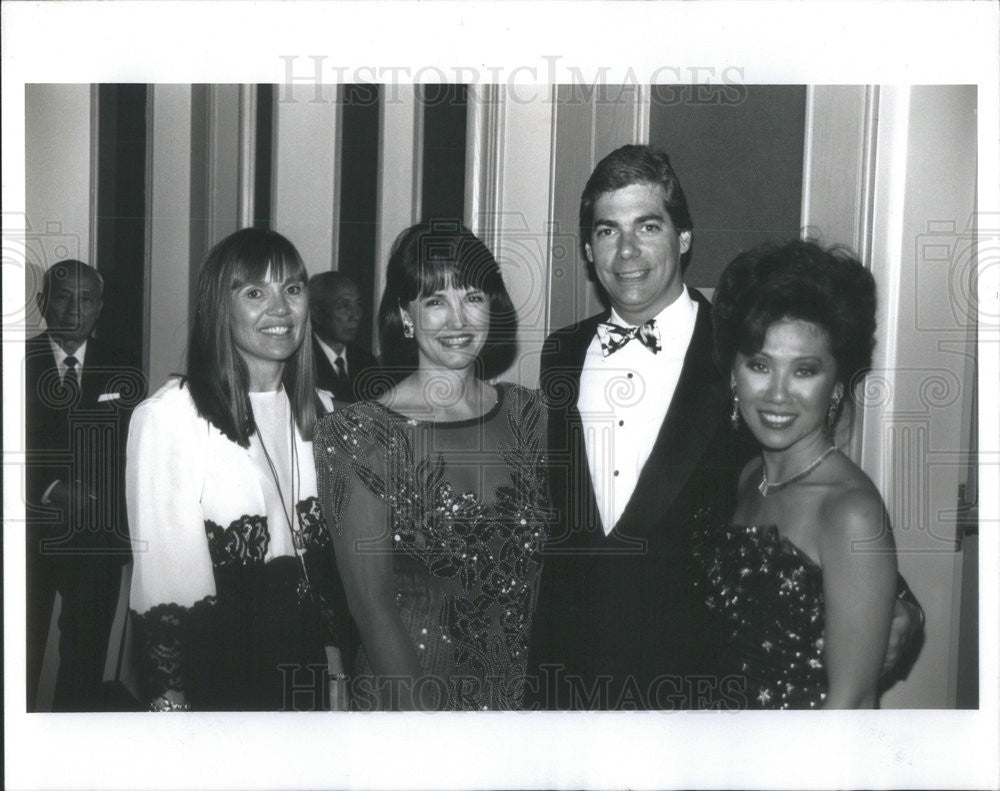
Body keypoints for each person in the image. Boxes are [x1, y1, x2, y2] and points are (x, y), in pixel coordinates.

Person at [525, 144, 920, 710]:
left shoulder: (744, 357)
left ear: (684, 236)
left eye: (648, 225)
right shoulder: (560, 353)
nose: (628, 250)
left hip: (689, 696)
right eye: (608, 231)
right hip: (564, 684)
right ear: (588, 248)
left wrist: (902, 605)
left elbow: (800, 495)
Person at [314, 221, 548, 710]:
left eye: (473, 297)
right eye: (435, 301)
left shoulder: (533, 417)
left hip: (522, 707)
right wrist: (430, 736)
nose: (457, 319)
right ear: (405, 315)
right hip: (412, 708)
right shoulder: (358, 435)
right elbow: (370, 606)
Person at [126, 228, 349, 711]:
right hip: (219, 675)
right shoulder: (170, 418)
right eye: (254, 292)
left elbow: (326, 576)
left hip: (307, 671)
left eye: (292, 289)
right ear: (217, 308)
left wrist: (333, 668)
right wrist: (173, 711)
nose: (280, 308)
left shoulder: (326, 413)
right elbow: (164, 588)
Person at [698, 239, 898, 709]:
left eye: (804, 370)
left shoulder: (852, 512)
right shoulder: (750, 477)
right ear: (733, 374)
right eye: (760, 365)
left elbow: (851, 705)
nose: (778, 394)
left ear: (836, 384)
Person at [25, 259, 145, 711]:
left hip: (97, 537)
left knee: (84, 660)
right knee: (20, 651)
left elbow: (130, 449)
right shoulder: (15, 364)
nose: (74, 308)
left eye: (87, 299)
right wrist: (51, 487)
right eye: (62, 296)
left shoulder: (124, 365)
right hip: (27, 534)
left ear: (100, 308)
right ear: (42, 303)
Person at [309, 271, 382, 402]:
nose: (356, 315)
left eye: (358, 304)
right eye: (344, 306)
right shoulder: (301, 364)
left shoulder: (367, 363)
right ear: (316, 313)